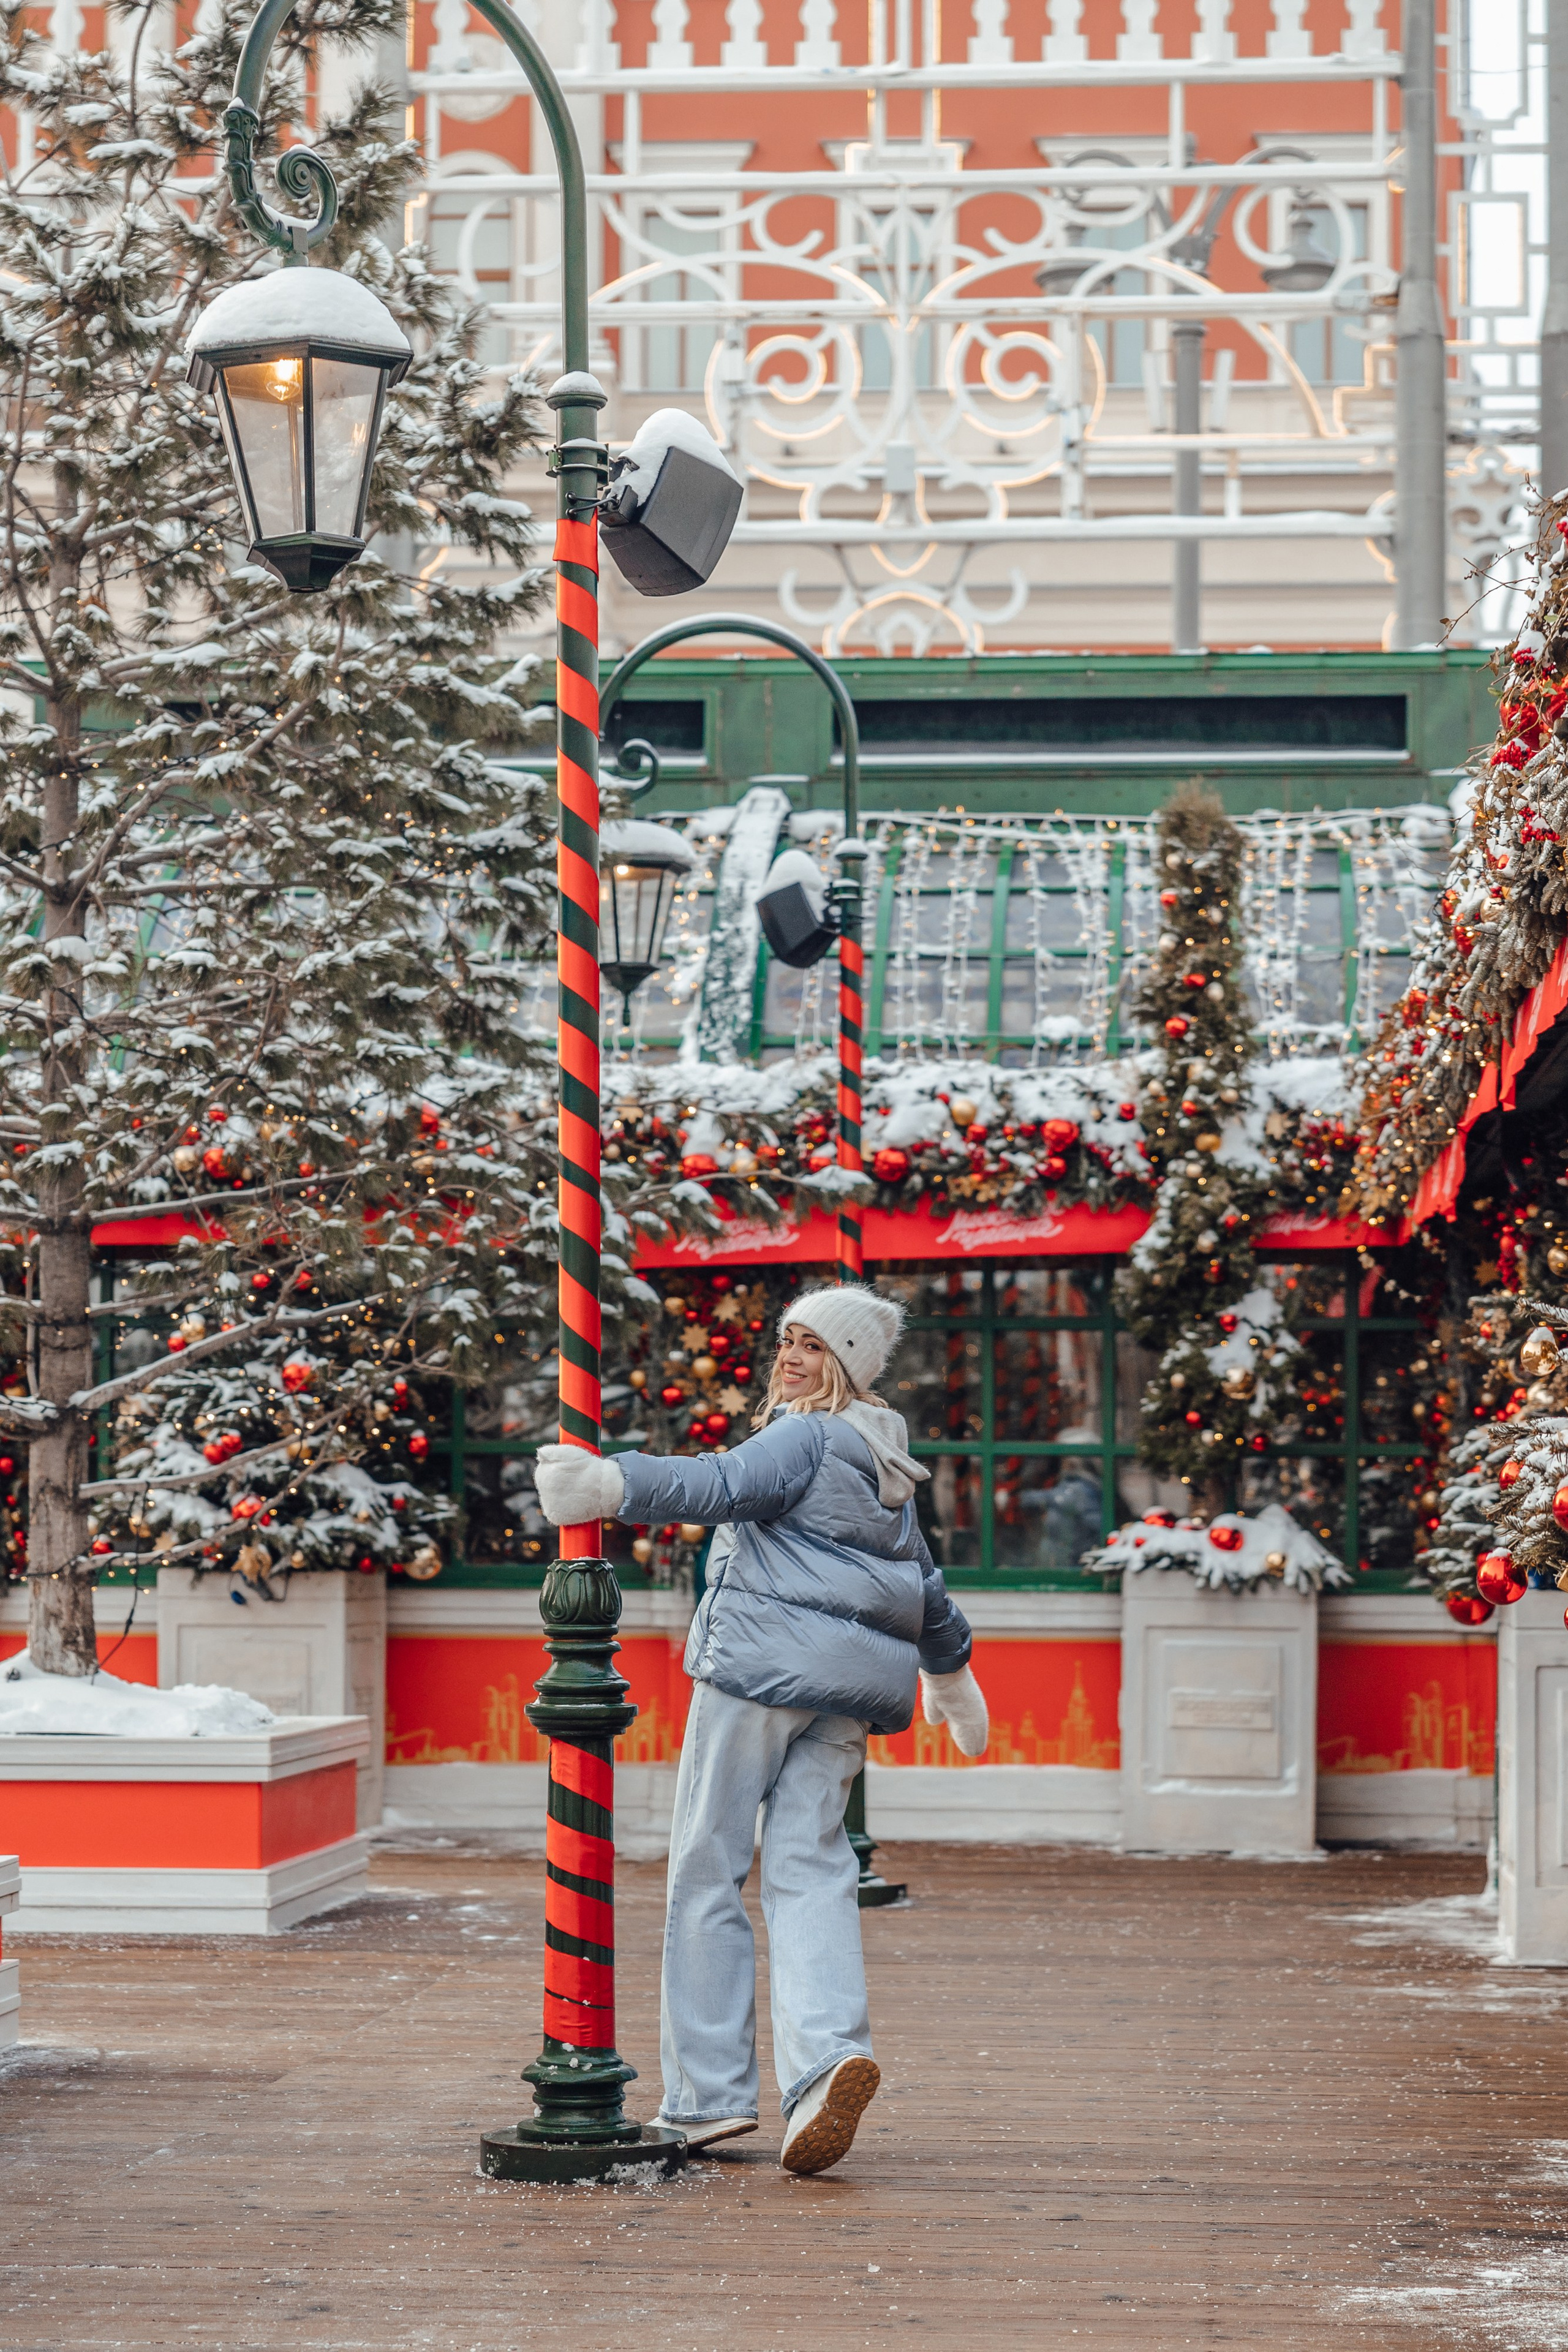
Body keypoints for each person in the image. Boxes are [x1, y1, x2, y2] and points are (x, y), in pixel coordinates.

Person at [534, 1284, 988, 2176]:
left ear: (845, 1367)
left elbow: (720, 1485)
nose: (790, 1357)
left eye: (814, 1346)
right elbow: (924, 1581)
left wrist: (608, 1482)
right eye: (788, 1339)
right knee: (813, 1869)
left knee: (707, 1863)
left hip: (758, 1674)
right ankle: (825, 2065)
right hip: (848, 1694)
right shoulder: (885, 1456)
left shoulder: (807, 1434)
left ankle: (706, 2098)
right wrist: (950, 1671)